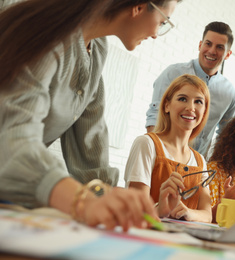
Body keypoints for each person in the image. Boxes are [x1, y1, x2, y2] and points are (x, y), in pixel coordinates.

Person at [0, 0, 183, 231]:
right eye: (163, 22)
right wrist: (83, 201)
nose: (157, 34)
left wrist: (110, 196)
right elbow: (10, 140)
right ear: (139, 6)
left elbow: (89, 142)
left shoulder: (97, 48)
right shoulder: (49, 32)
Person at [125, 74, 213, 223]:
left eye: (198, 101)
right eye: (182, 99)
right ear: (167, 106)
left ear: (204, 112)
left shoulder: (200, 162)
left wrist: (188, 213)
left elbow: (207, 215)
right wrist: (160, 210)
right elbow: (135, 210)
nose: (190, 108)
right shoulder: (146, 144)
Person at [145, 21, 235, 157]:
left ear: (228, 54)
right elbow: (154, 116)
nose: (212, 51)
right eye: (208, 44)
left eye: (219, 47)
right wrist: (158, 156)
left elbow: (225, 135)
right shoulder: (173, 73)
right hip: (163, 157)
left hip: (197, 168)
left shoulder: (229, 92)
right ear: (200, 45)